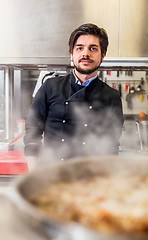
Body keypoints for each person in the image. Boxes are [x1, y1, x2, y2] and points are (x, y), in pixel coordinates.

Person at [24, 23, 124, 171]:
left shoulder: (112, 96)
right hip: (50, 174)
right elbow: (33, 131)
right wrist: (34, 174)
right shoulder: (49, 87)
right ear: (72, 54)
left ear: (102, 56)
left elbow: (111, 146)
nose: (85, 53)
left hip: (90, 178)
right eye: (80, 48)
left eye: (93, 48)